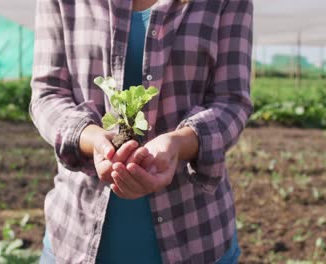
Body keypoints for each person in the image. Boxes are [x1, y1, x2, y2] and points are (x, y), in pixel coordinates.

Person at [29, 0, 253, 263]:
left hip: (195, 234)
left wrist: (180, 144)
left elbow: (232, 100)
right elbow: (48, 94)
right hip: (75, 233)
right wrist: (90, 138)